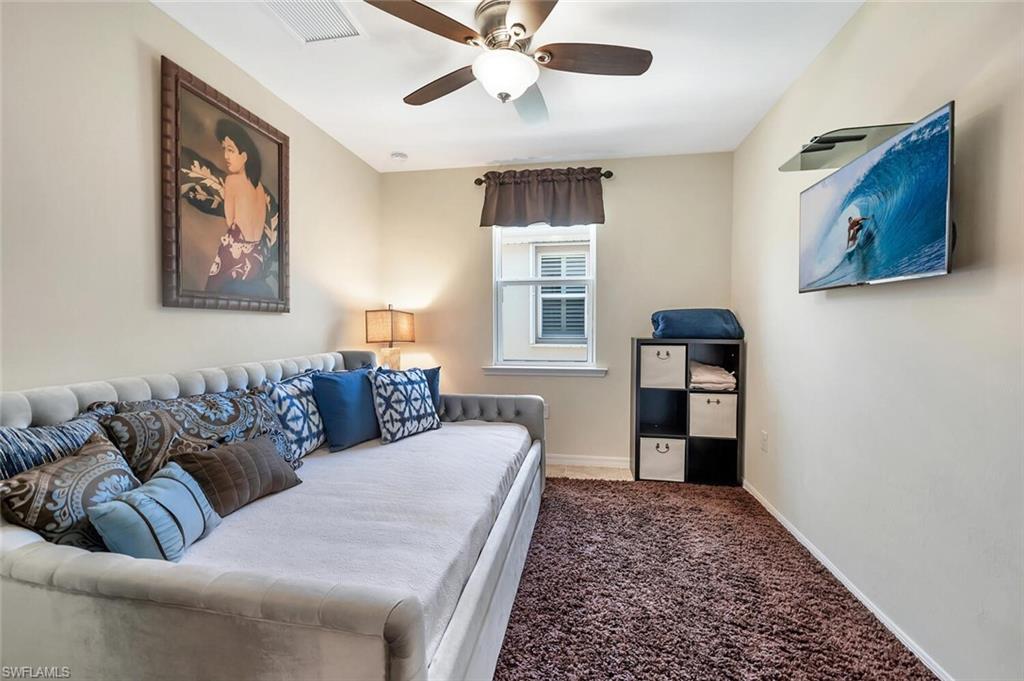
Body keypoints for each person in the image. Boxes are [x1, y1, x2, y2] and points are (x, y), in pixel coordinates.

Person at [205, 119, 275, 296]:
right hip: (255, 258)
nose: (226, 156)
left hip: (233, 255)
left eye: (231, 150)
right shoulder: (259, 189)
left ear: (244, 156)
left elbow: (230, 220)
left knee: (212, 294)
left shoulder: (232, 180)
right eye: (224, 150)